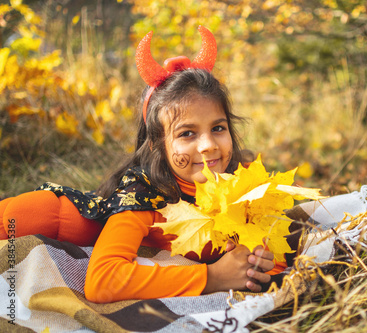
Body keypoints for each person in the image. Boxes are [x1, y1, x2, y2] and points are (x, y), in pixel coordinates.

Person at [0, 26, 285, 303]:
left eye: (218, 128)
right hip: (20, 220)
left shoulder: (242, 182)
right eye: (187, 133)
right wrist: (211, 277)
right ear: (156, 144)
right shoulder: (143, 196)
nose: (208, 144)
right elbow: (102, 282)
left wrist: (257, 259)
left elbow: (276, 257)